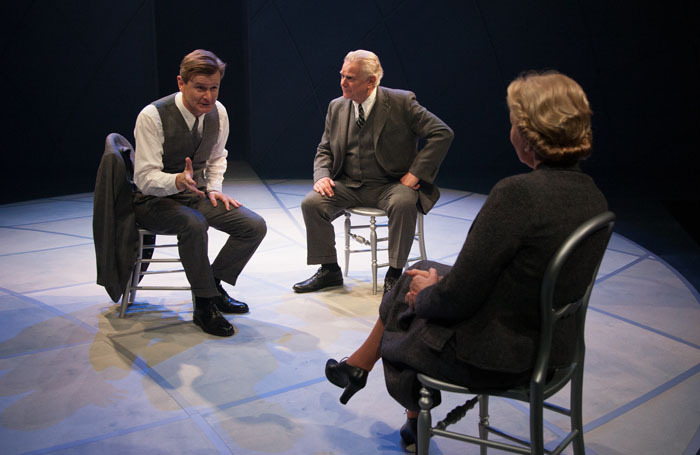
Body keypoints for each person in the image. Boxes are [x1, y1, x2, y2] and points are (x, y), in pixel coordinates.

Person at [324, 70, 609, 451]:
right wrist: (429, 285)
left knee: (403, 319)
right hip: (556, 342)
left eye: (512, 122)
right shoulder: (592, 195)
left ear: (527, 134)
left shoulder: (517, 195)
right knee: (412, 276)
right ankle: (359, 365)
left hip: (502, 353)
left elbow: (456, 299)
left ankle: (403, 411)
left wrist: (426, 295)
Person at [292, 50, 453, 295]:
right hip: (349, 185)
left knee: (403, 203)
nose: (342, 82)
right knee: (312, 203)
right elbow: (324, 148)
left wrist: (416, 173)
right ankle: (329, 270)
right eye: (342, 75)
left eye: (350, 78)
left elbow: (442, 133)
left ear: (371, 81)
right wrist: (322, 175)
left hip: (390, 184)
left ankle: (395, 274)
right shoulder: (337, 106)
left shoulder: (401, 102)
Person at [132, 49, 267, 337]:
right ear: (181, 83)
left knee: (253, 226)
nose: (208, 96)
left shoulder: (219, 113)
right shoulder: (152, 116)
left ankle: (213, 286)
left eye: (214, 88)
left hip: (194, 194)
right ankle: (204, 305)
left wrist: (215, 189)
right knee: (194, 224)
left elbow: (218, 157)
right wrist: (177, 181)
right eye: (200, 88)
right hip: (153, 200)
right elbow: (143, 179)